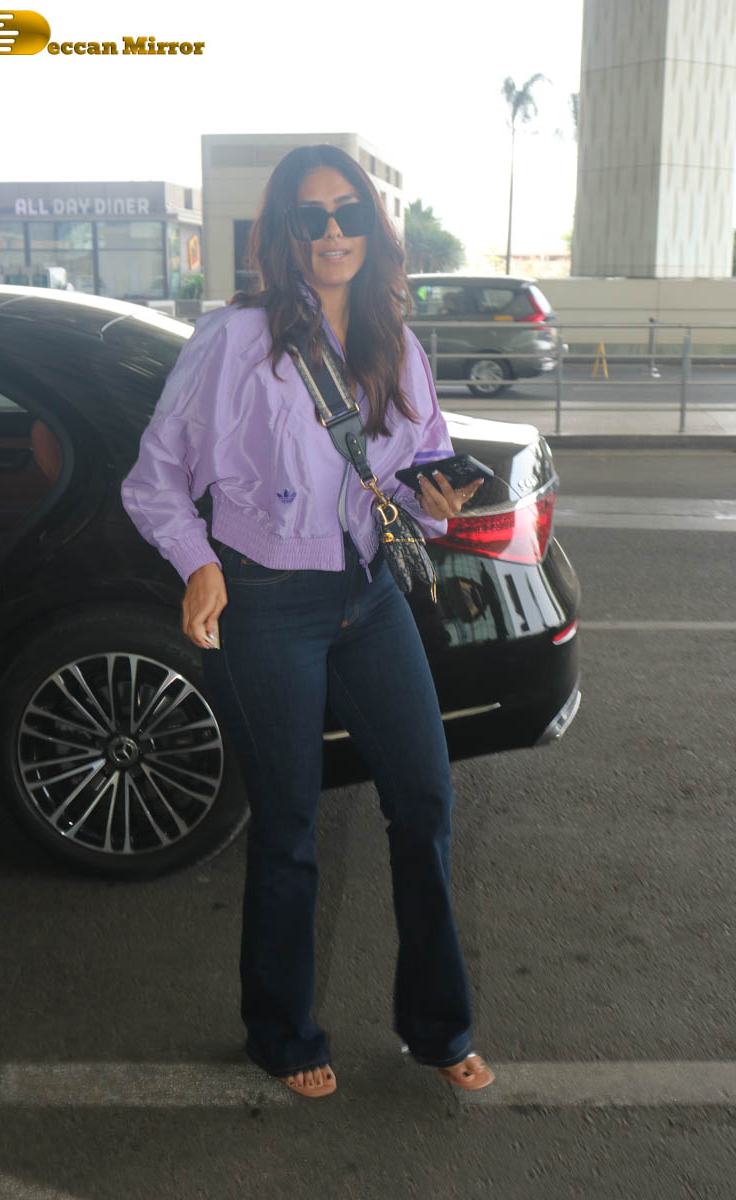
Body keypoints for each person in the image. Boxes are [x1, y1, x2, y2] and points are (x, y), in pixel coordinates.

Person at [120, 143, 494, 1099]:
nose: (332, 232)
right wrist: (199, 564)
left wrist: (434, 502)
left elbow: (417, 463)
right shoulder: (235, 340)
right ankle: (281, 1032)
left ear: (373, 227)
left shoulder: (395, 340)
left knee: (425, 802)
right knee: (288, 823)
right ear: (282, 234)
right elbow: (154, 476)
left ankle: (437, 1025)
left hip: (369, 594)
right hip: (268, 601)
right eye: (310, 216)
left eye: (348, 213)